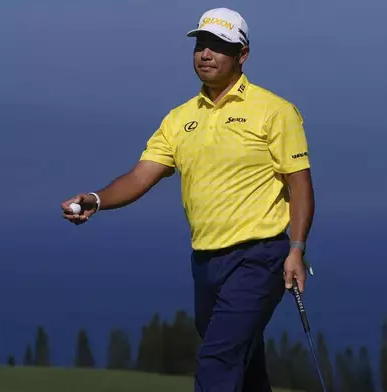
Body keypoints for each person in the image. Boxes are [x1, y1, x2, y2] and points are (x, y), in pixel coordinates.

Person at [61, 7, 315, 392]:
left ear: (242, 55)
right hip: (206, 261)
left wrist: (296, 249)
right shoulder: (179, 119)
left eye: (218, 46)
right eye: (201, 45)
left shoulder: (275, 111)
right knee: (243, 362)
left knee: (218, 358)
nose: (206, 54)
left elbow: (299, 185)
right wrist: (98, 199)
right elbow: (140, 176)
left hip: (260, 257)